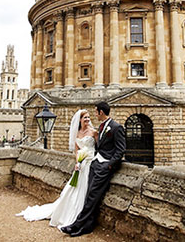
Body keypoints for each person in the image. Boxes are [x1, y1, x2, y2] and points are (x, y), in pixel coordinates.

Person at [16, 110, 96, 227]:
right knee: (77, 188)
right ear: (80, 120)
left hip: (91, 162)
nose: (88, 120)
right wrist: (77, 162)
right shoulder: (76, 133)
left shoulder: (94, 132)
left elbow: (98, 147)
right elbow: (76, 150)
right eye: (85, 118)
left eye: (89, 117)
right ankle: (73, 213)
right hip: (82, 164)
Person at [60, 101, 126, 237]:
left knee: (91, 196)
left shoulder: (116, 127)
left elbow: (120, 150)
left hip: (105, 166)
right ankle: (87, 226)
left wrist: (109, 165)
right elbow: (97, 147)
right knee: (90, 195)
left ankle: (76, 225)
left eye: (95, 112)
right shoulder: (102, 127)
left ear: (101, 112)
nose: (94, 116)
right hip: (95, 164)